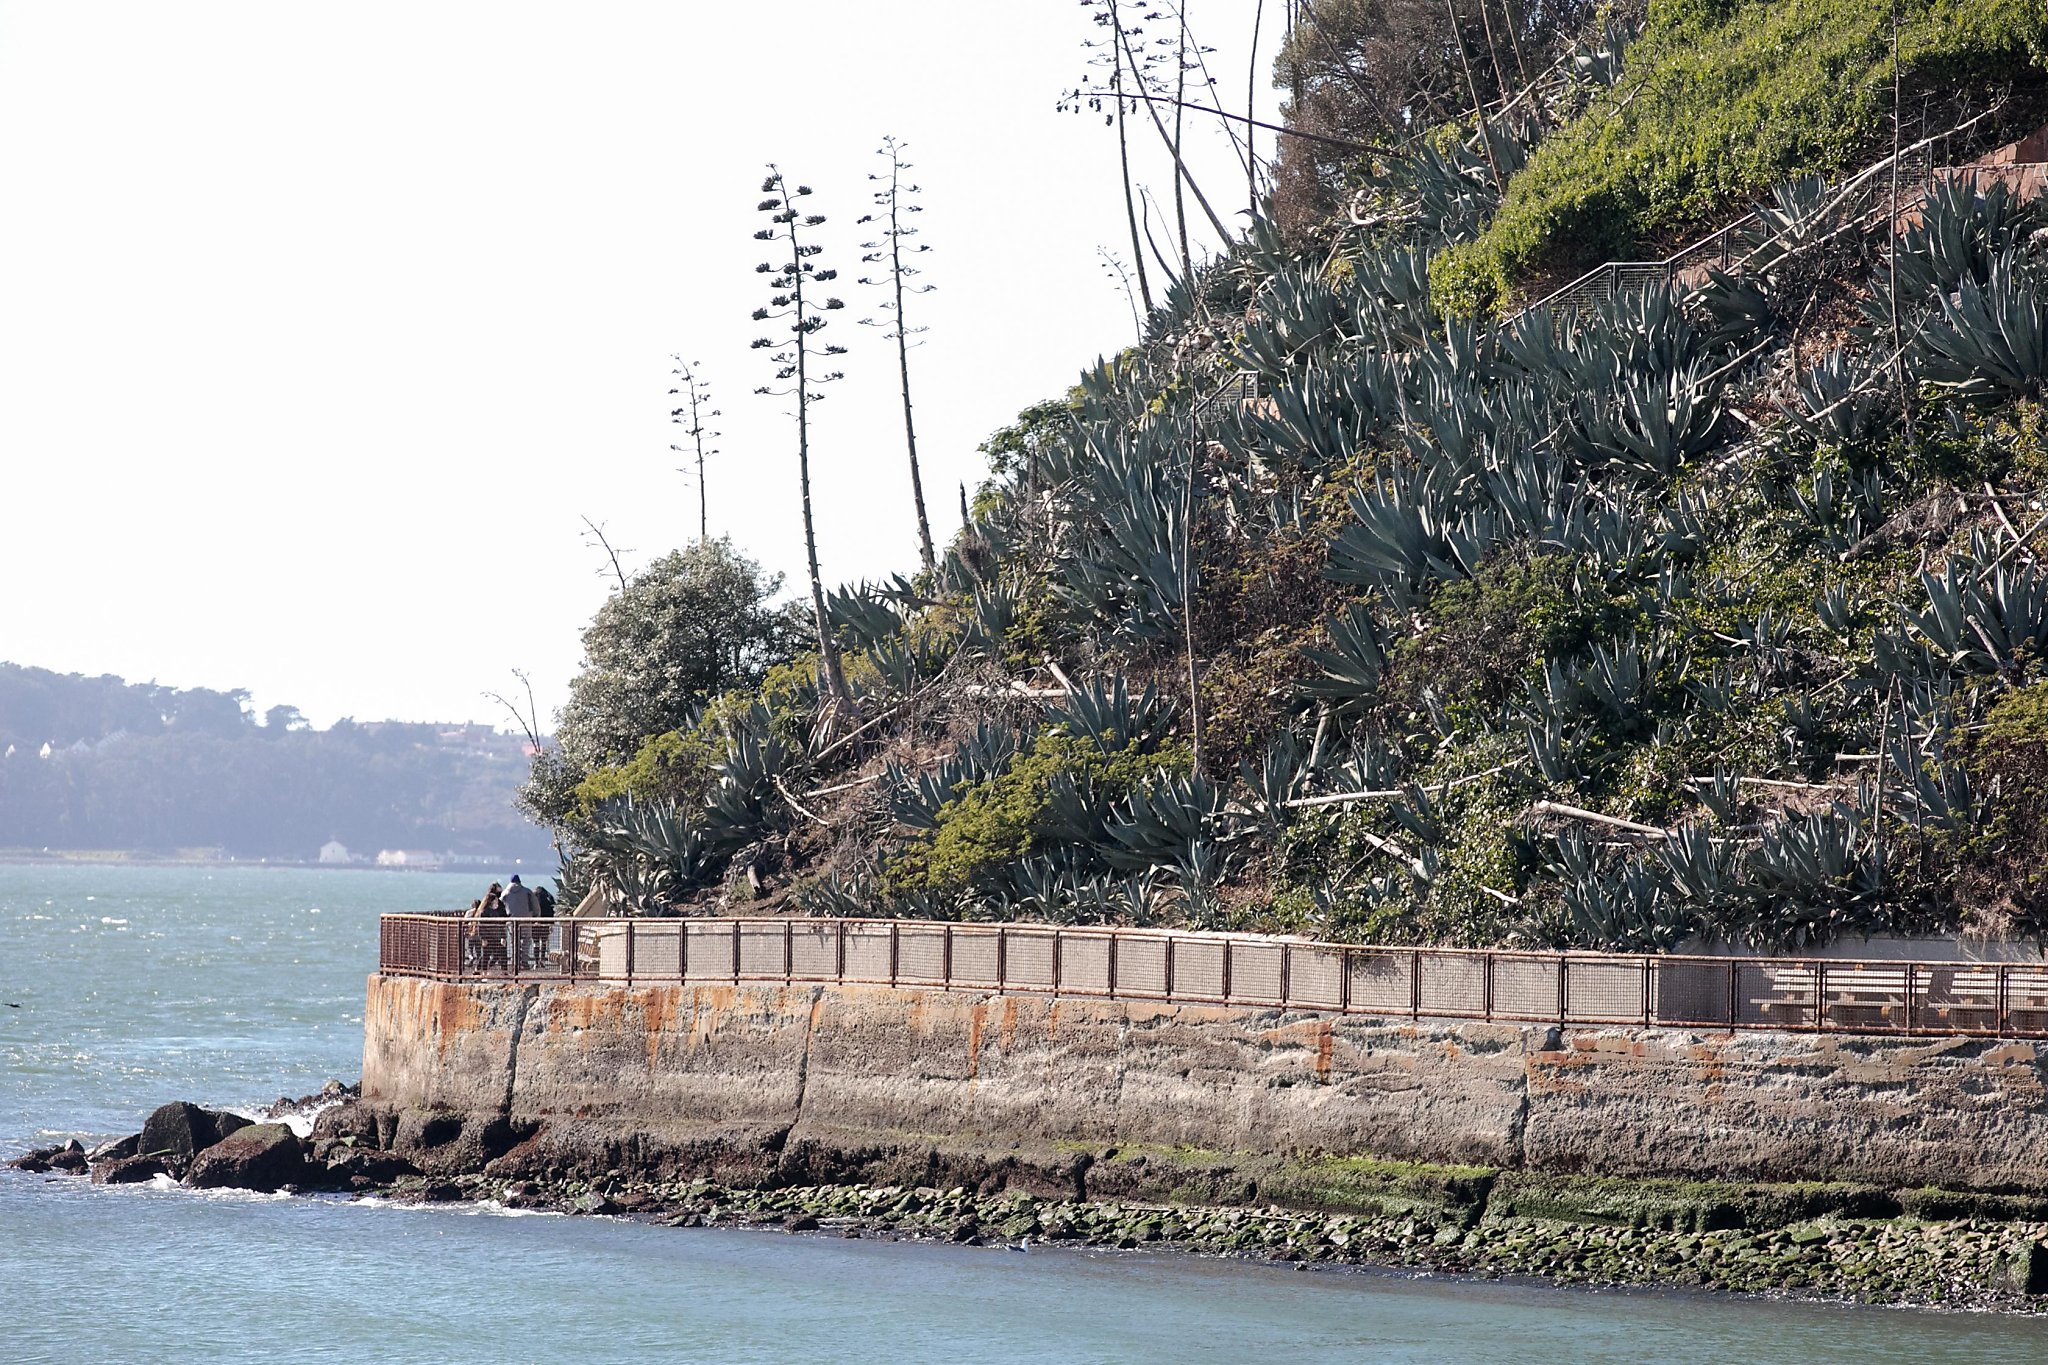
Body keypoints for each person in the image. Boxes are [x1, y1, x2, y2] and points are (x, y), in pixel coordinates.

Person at [503, 875, 542, 969]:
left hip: (511, 921)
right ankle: (524, 961)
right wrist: (536, 916)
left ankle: (514, 961)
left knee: (514, 941)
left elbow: (501, 906)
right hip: (526, 920)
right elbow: (535, 905)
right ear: (519, 881)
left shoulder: (505, 893)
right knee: (526, 940)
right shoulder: (527, 892)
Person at [476, 882, 507, 972]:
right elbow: (482, 925)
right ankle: (482, 969)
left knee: (496, 953)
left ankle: (482, 969)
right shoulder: (486, 911)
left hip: (496, 934)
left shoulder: (491, 907)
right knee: (487, 954)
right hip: (491, 935)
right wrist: (483, 938)